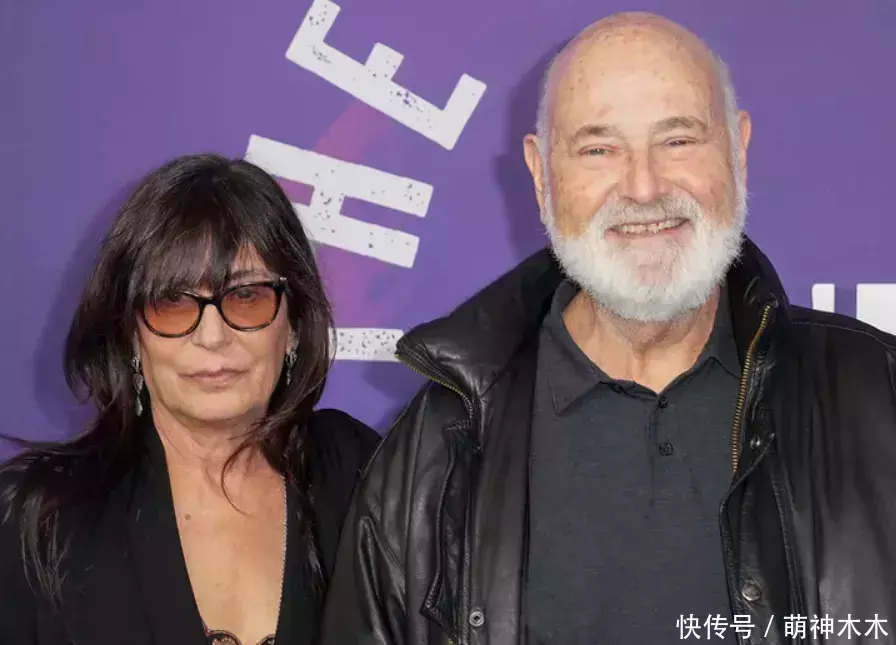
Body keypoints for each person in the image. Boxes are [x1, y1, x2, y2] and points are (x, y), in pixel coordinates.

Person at [320, 11, 896, 645]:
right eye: (598, 149)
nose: (643, 188)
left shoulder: (879, 392)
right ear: (541, 174)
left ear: (739, 150)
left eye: (678, 141)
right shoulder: (435, 453)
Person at [0, 154, 380, 644]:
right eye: (173, 302)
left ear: (292, 327)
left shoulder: (359, 475)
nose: (212, 336)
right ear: (130, 334)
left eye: (247, 297)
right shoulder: (38, 519)